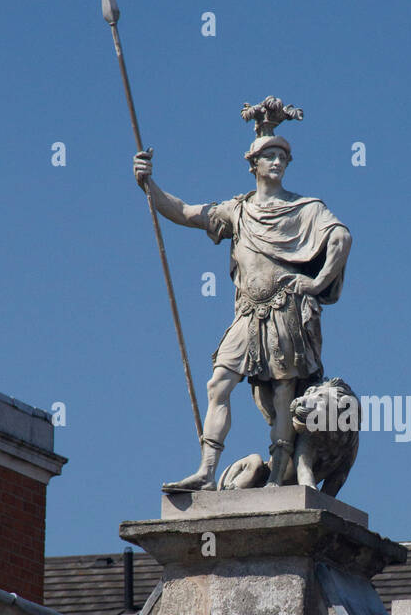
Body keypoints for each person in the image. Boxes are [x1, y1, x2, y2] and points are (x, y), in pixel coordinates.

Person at [133, 122, 351, 489]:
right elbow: (186, 212)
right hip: (248, 313)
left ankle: (277, 481)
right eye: (270, 156)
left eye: (283, 157)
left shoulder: (305, 208)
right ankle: (205, 471)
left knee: (284, 395)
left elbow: (341, 237)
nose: (278, 162)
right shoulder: (238, 210)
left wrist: (315, 282)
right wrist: (148, 185)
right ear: (254, 164)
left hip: (286, 310)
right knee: (218, 382)